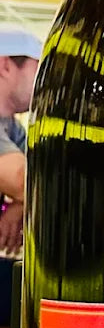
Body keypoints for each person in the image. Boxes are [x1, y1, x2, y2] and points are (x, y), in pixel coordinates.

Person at [0, 28, 42, 256]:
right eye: (38, 69)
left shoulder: (12, 127)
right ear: (5, 65)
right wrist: (23, 196)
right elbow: (23, 180)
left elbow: (37, 171)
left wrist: (20, 205)